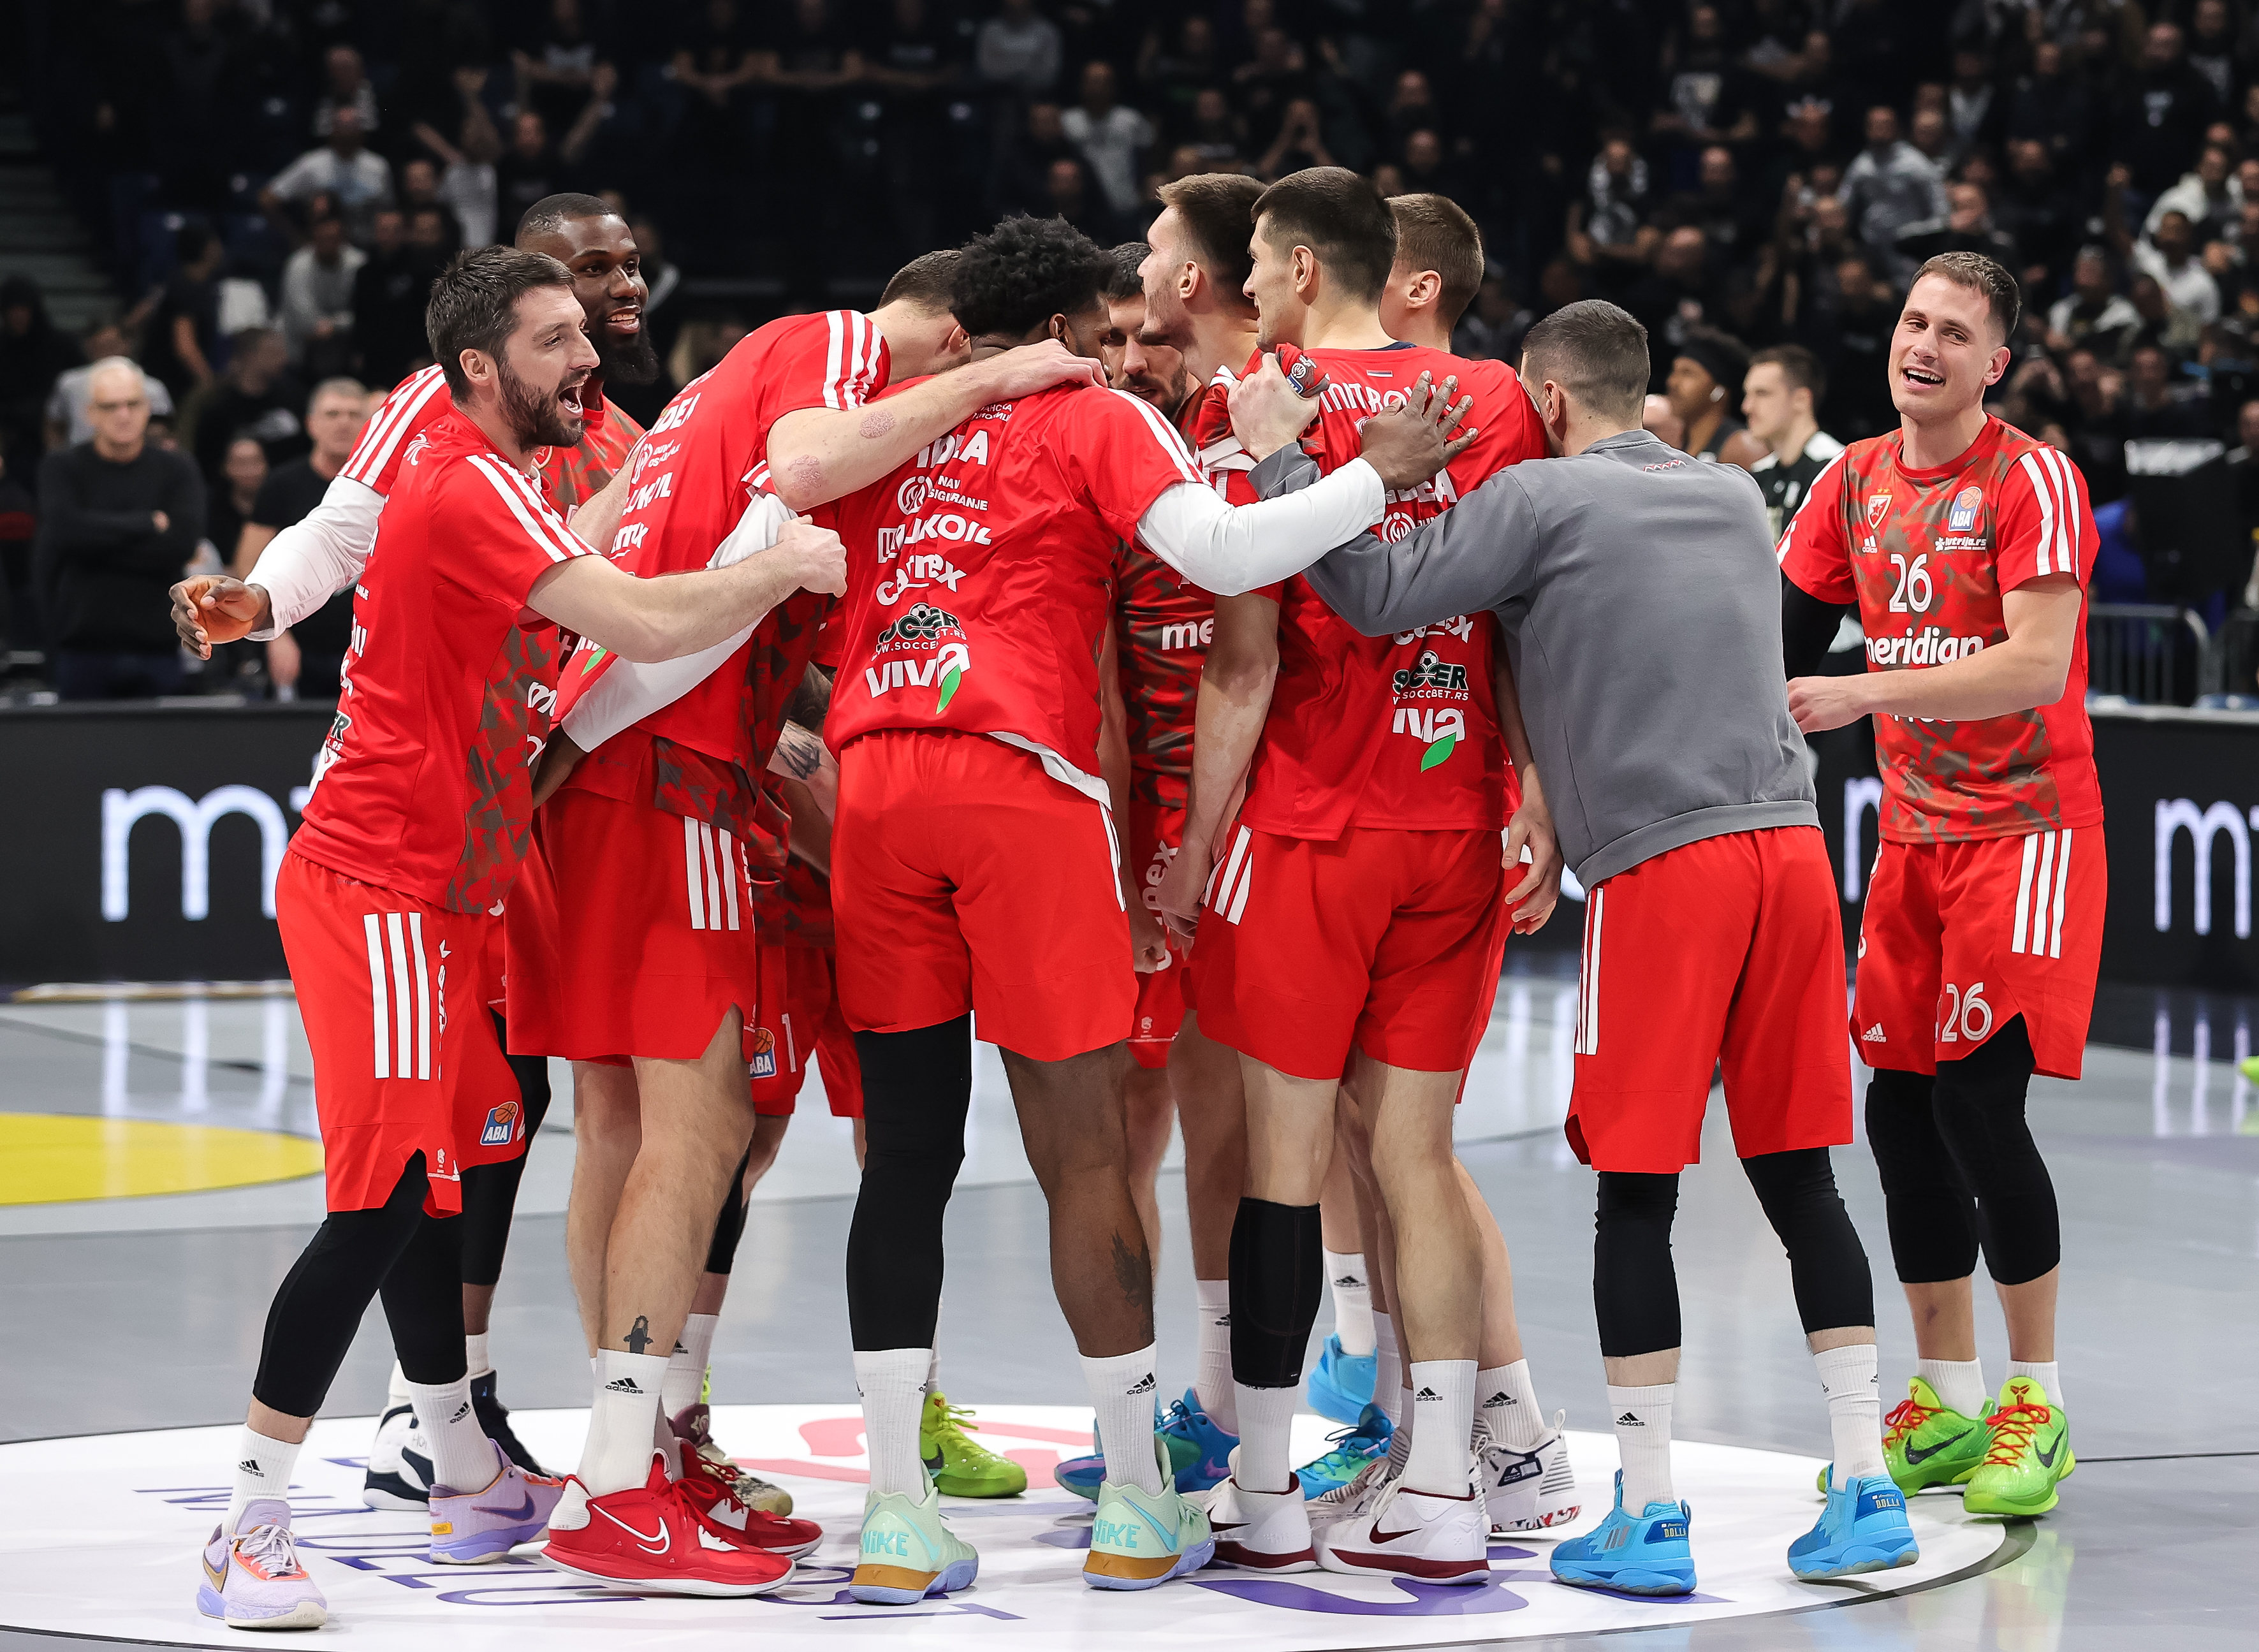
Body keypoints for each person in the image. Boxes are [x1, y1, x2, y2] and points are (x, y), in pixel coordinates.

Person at [189, 242, 850, 1630]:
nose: (588, 355)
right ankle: (252, 1513)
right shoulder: (449, 473)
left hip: (461, 886)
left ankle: (468, 1459)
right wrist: (783, 555)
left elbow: (606, 527)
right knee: (376, 1200)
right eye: (556, 337)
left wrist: (708, 486)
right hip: (382, 882)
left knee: (450, 1170)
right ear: (480, 365)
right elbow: (644, 612)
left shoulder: (512, 475)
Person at [817, 212, 1462, 1604]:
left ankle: (889, 1511)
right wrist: (1373, 479)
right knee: (1085, 1150)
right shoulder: (1092, 416)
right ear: (1059, 332)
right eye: (1105, 334)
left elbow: (777, 510)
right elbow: (1226, 558)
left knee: (904, 1160)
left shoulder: (876, 422)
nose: (1122, 354)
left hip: (874, 784)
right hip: (1016, 784)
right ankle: (1131, 1494)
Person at [1280, 296, 1916, 1596]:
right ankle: (1864, 1485)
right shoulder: (1739, 497)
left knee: (1635, 1186)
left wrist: (1298, 463)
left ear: (1549, 402)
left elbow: (1374, 590)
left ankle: (1650, 1506)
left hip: (1658, 864)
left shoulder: (1537, 500)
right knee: (1800, 1175)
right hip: (1792, 853)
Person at [515, 247, 1122, 1593]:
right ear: (953, 335)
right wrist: (1006, 378)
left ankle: (647, 1443)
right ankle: (619, 1482)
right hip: (668, 776)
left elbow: (601, 532)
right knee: (697, 1124)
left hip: (616, 769)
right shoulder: (833, 348)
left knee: (625, 1122)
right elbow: (802, 468)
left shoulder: (703, 394)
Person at [169, 197, 669, 1518]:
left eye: (619, 272)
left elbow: (605, 576)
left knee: (490, 1122)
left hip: (491, 835)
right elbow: (344, 533)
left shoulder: (600, 431)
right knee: (395, 1171)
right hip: (398, 843)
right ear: (492, 340)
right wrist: (263, 598)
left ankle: (451, 1424)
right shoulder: (442, 435)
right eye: (572, 284)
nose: (611, 295)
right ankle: (320, 1471)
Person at [1159, 167, 1567, 1584]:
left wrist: (1193, 845)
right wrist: (1533, 787)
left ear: (1291, 268)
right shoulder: (1504, 399)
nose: (1245, 290)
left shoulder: (1259, 405)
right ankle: (1447, 1479)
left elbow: (1244, 655)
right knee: (1417, 1155)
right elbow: (1523, 616)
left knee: (1283, 1165)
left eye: (1256, 268)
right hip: (1453, 815)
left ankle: (1264, 1487)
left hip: (1312, 822)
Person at [1779, 251, 2099, 1522]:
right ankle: (1947, 1395)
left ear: (1993, 363)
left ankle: (2038, 1398)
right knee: (1898, 1116)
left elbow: (2031, 665)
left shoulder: (2030, 477)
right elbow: (1776, 641)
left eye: (1953, 332)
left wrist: (1862, 690)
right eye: (1914, 321)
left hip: (2026, 832)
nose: (1924, 344)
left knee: (1976, 1105)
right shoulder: (1848, 480)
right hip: (1911, 840)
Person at [35, 359, 204, 699]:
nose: (123, 415)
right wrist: (146, 523)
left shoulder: (176, 468)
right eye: (110, 406)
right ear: (90, 413)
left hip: (159, 644)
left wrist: (95, 543)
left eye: (133, 404)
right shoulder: (62, 467)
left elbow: (182, 544)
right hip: (83, 646)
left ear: (147, 409)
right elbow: (65, 533)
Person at [235, 378, 367, 701]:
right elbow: (247, 563)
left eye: (353, 414)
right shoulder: (282, 484)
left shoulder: (390, 486)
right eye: (333, 414)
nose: (343, 423)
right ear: (311, 424)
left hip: (371, 646)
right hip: (300, 645)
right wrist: (276, 637)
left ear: (372, 426)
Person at [1742, 344, 1845, 540]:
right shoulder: (1758, 475)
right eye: (1747, 394)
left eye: (1762, 393)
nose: (1747, 407)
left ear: (1801, 399)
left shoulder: (1838, 468)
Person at [279, 217, 367, 377]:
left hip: (349, 342)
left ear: (343, 240)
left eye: (333, 239)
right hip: (305, 344)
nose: (328, 244)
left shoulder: (359, 264)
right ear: (313, 240)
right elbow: (303, 318)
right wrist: (328, 326)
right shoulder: (298, 265)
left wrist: (334, 325)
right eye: (322, 239)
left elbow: (366, 312)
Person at [1665, 329, 1765, 467]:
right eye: (1674, 371)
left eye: (1687, 373)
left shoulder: (1741, 447)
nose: (1673, 382)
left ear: (1719, 391)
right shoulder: (1676, 443)